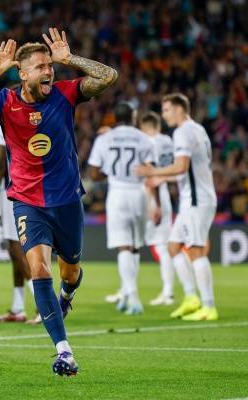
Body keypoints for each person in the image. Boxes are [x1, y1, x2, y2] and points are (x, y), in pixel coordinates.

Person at [0, 28, 118, 375]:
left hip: (67, 199)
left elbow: (109, 76)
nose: (49, 72)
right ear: (22, 73)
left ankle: (67, 295)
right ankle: (64, 352)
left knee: (70, 271)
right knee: (39, 269)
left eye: (50, 66)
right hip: (27, 201)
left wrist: (70, 58)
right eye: (41, 67)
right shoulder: (4, 102)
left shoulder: (65, 93)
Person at [137, 93, 218, 321]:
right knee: (173, 247)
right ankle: (191, 298)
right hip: (193, 199)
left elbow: (181, 166)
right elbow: (189, 169)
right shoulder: (198, 129)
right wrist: (162, 178)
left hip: (197, 200)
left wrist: (154, 171)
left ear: (179, 109)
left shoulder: (183, 132)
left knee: (196, 250)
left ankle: (209, 306)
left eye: (166, 110)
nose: (164, 115)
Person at [88, 102, 159, 316]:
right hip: (138, 193)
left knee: (123, 247)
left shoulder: (105, 138)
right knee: (135, 246)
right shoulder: (143, 138)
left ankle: (132, 296)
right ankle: (128, 294)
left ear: (114, 118)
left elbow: (93, 174)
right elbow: (151, 169)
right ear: (133, 117)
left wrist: (110, 171)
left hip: (117, 193)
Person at [0, 121, 39, 324]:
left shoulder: (4, 115)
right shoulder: (35, 114)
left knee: (15, 247)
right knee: (18, 247)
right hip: (34, 185)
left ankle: (44, 304)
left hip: (13, 188)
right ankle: (18, 308)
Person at [140, 111, 177, 306]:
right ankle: (168, 291)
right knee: (162, 245)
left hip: (153, 194)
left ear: (146, 127)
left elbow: (150, 174)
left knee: (161, 247)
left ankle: (168, 292)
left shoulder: (149, 142)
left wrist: (154, 205)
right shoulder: (168, 141)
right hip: (164, 191)